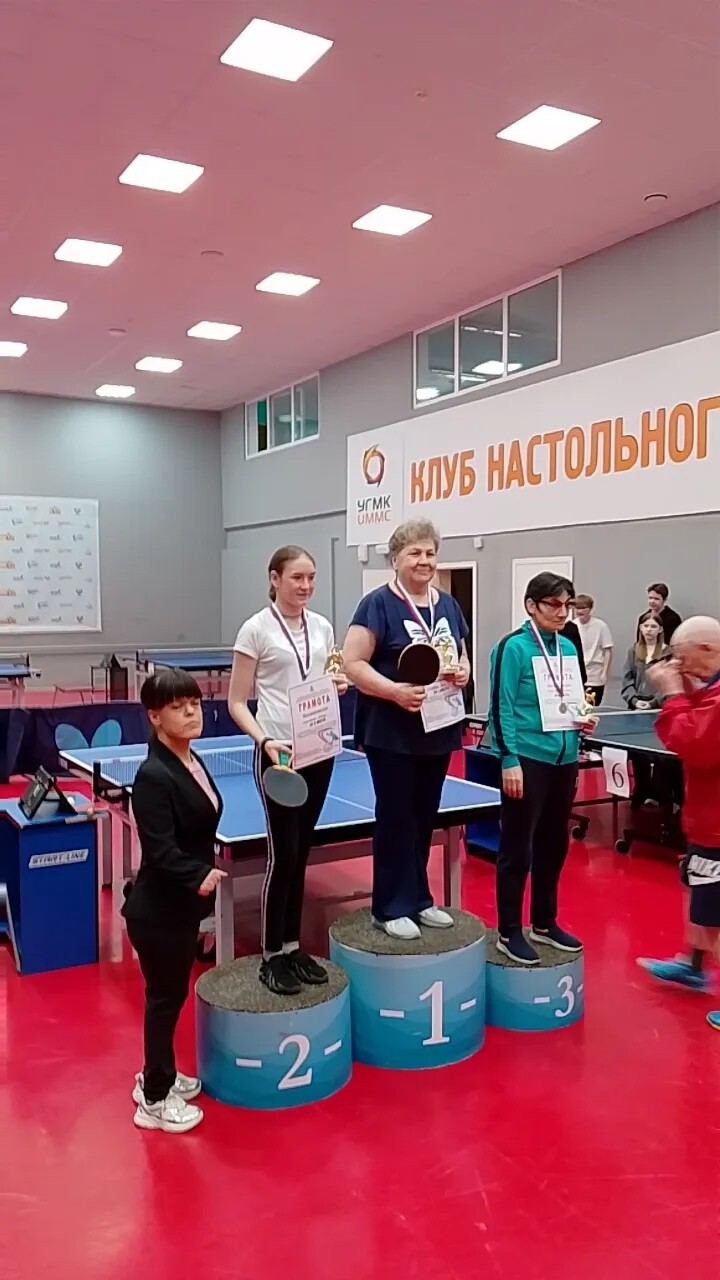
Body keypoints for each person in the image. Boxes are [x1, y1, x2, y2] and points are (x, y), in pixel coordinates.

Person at [342, 520, 470, 941]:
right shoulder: (377, 604)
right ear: (395, 558)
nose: (424, 560)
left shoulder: (447, 604)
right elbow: (353, 663)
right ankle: (389, 906)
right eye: (415, 553)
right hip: (391, 731)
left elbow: (460, 654)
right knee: (396, 815)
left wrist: (464, 671)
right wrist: (394, 691)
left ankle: (419, 899)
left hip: (438, 727)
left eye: (430, 552)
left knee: (424, 815)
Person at [228, 545, 348, 996]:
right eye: (297, 577)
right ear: (275, 578)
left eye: (311, 577)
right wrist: (264, 741)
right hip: (278, 753)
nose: (306, 586)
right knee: (282, 855)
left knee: (302, 851)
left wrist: (338, 684)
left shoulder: (322, 627)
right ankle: (271, 953)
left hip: (319, 749)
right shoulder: (255, 629)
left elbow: (329, 676)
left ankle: (294, 946)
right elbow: (236, 702)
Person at [122, 670, 226, 1135]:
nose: (190, 713)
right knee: (164, 1001)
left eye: (194, 704)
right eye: (178, 707)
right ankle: (155, 1098)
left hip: (178, 908)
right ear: (154, 716)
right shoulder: (153, 775)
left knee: (170, 996)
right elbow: (160, 850)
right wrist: (199, 875)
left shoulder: (189, 758)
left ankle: (156, 1074)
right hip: (158, 912)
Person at [488, 572, 595, 964]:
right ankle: (509, 930)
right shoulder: (511, 648)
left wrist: (583, 719)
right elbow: (500, 707)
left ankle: (545, 922)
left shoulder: (567, 646)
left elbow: (572, 697)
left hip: (564, 758)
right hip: (527, 759)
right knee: (517, 848)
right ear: (531, 605)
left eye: (567, 605)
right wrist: (509, 759)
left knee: (554, 844)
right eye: (554, 604)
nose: (562, 612)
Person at [636, 617, 720, 1029]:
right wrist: (684, 688)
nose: (677, 664)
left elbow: (696, 744)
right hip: (707, 818)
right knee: (700, 894)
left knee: (714, 914)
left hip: (717, 824)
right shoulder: (711, 688)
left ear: (707, 650)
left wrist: (671, 692)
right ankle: (693, 965)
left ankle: (698, 963)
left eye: (682, 656)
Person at [621, 613, 670, 805]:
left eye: (653, 626)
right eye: (645, 626)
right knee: (638, 754)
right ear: (640, 628)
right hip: (636, 708)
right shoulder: (634, 651)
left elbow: (668, 683)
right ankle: (641, 790)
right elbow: (627, 679)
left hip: (657, 709)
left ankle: (658, 793)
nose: (649, 630)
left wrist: (652, 703)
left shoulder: (667, 653)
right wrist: (634, 700)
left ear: (660, 630)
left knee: (659, 755)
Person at [574, 594, 613, 705]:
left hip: (595, 675)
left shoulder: (601, 626)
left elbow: (607, 650)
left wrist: (605, 672)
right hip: (577, 674)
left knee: (593, 707)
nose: (580, 611)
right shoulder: (571, 626)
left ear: (590, 609)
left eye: (583, 608)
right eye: (577, 608)